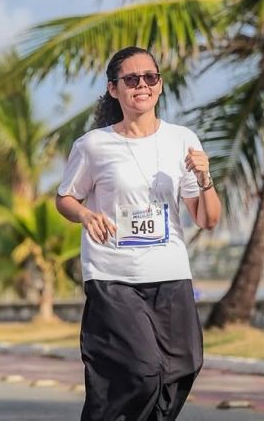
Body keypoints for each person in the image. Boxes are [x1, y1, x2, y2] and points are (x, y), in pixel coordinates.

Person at [55, 46, 222, 421]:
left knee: (186, 365)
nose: (142, 85)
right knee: (143, 371)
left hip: (171, 272)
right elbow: (64, 197)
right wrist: (85, 214)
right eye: (131, 79)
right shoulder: (94, 145)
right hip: (114, 276)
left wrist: (204, 178)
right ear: (114, 89)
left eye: (151, 77)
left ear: (160, 85)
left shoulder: (183, 139)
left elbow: (207, 219)